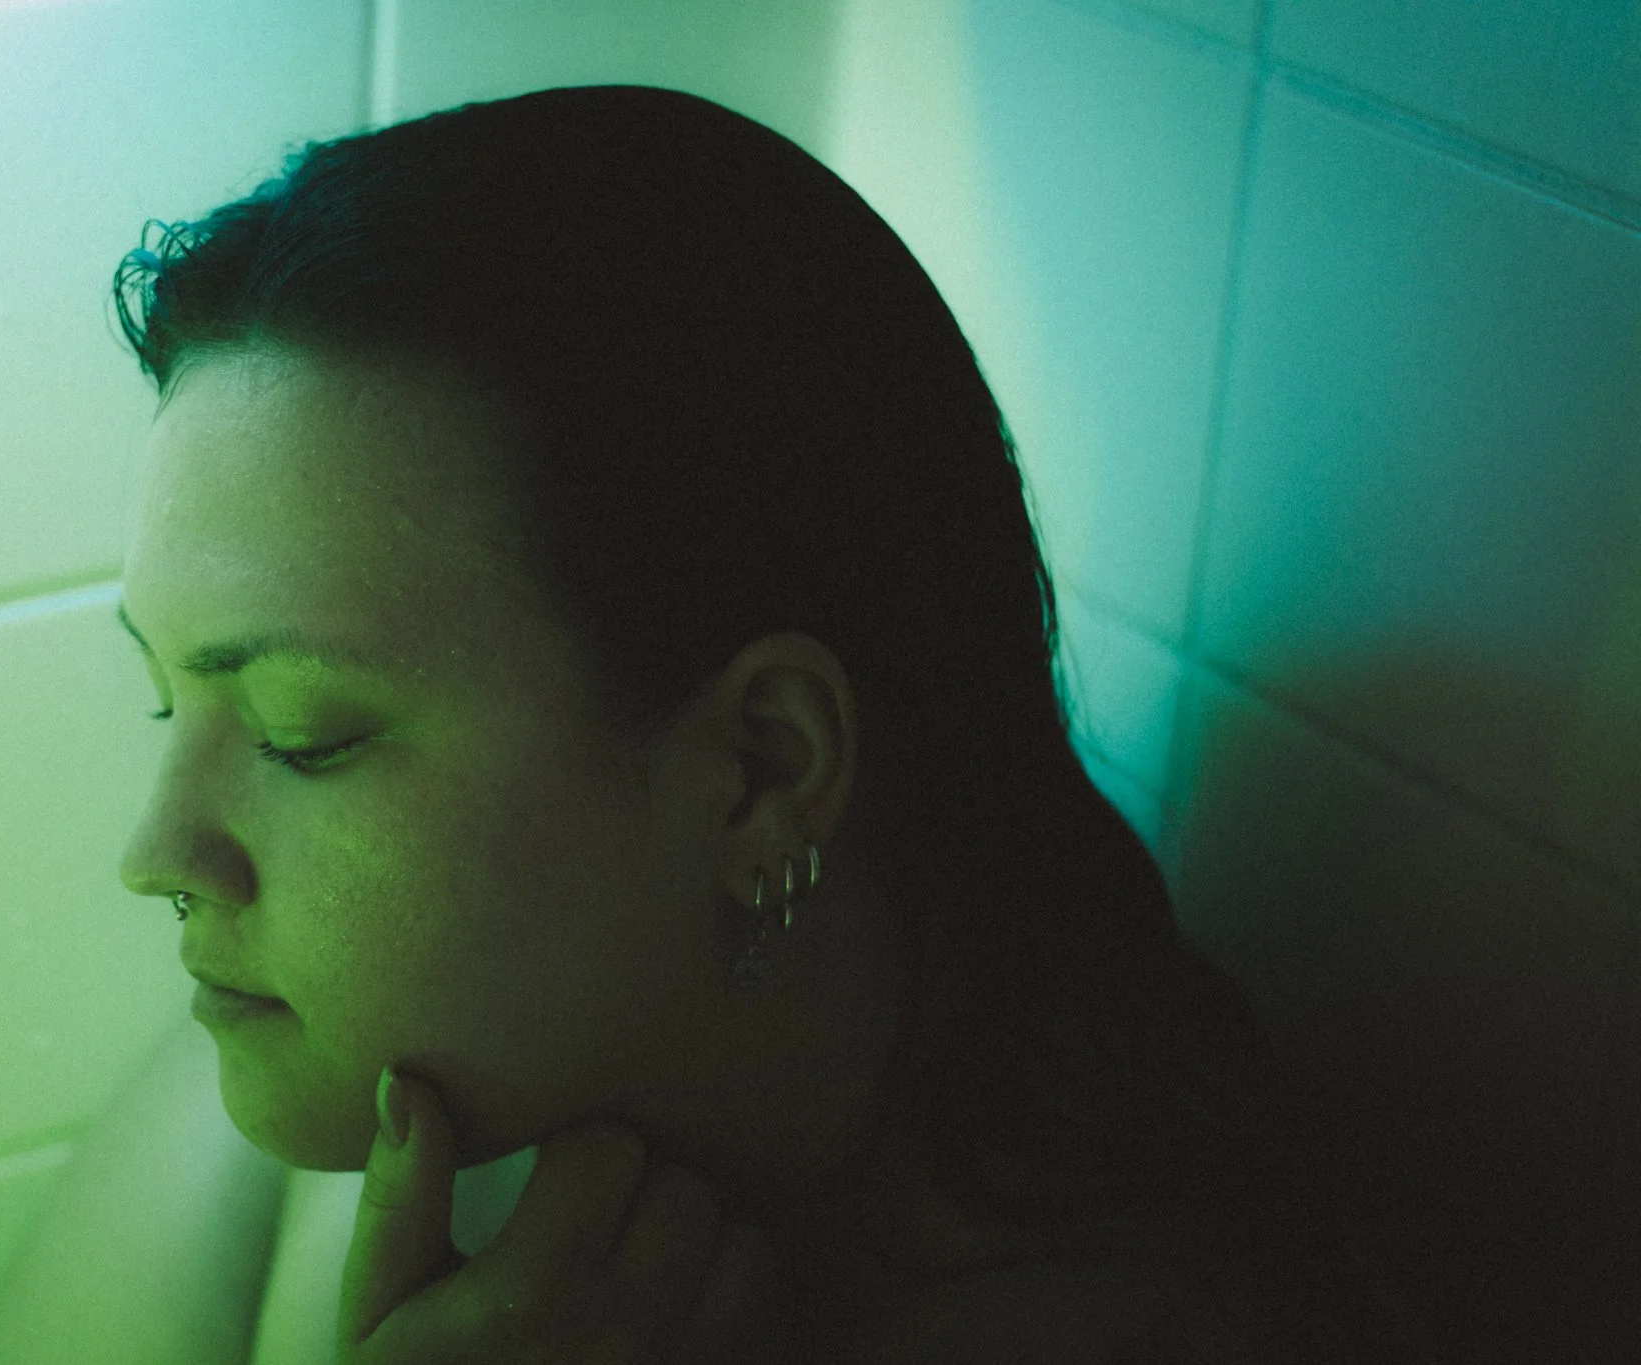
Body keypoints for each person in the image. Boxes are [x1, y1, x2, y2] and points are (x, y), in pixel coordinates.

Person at [108, 84, 1436, 1363]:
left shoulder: (1134, 1328)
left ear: (761, 770)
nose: (159, 853)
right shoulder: (363, 1084)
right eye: (171, 698)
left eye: (303, 731)